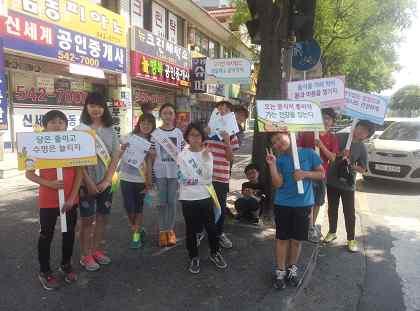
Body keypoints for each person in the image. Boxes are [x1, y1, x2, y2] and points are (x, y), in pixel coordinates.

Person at [25, 110, 82, 290]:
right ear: (45, 125)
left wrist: (73, 197)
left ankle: (66, 265)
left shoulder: (73, 144)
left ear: (66, 125)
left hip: (70, 200)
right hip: (48, 200)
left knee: (69, 233)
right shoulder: (36, 145)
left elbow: (80, 172)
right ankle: (45, 271)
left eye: (61, 122)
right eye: (52, 122)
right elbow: (29, 173)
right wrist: (48, 183)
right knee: (46, 235)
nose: (57, 125)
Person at [266, 132, 323, 290]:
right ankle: (280, 271)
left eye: (279, 138)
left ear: (289, 134)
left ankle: (292, 268)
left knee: (297, 240)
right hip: (283, 204)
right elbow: (278, 184)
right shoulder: (280, 160)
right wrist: (272, 165)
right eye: (274, 142)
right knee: (282, 239)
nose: (277, 143)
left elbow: (321, 173)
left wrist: (305, 174)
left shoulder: (308, 153)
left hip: (303, 204)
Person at [78, 92, 121, 271]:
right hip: (85, 183)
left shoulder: (111, 130)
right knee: (87, 221)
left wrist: (106, 180)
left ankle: (96, 250)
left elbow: (115, 156)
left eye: (99, 106)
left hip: (106, 183)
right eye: (92, 105)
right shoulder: (80, 130)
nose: (96, 109)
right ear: (86, 107)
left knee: (103, 218)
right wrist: (88, 182)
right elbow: (76, 161)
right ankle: (85, 255)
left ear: (105, 108)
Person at [178, 123, 227, 274]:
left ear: (202, 138)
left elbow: (207, 178)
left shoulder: (208, 154)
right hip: (187, 197)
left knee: (211, 227)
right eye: (191, 135)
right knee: (191, 229)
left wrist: (197, 177)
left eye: (198, 135)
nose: (194, 138)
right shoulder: (182, 155)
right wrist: (196, 180)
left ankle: (215, 252)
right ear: (187, 137)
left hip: (205, 196)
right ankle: (193, 256)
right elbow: (182, 178)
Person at [324, 120, 374, 252]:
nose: (360, 132)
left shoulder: (362, 148)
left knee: (349, 212)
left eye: (365, 131)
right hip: (332, 180)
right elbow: (328, 153)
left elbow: (364, 169)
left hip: (348, 183)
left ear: (367, 136)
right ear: (355, 127)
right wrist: (341, 154)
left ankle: (351, 239)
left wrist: (351, 165)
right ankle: (332, 231)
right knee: (332, 208)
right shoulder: (340, 137)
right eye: (360, 127)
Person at [298, 108, 340, 242]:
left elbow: (332, 158)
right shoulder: (308, 133)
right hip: (306, 174)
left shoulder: (333, 138)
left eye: (328, 118)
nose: (325, 120)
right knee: (306, 201)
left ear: (332, 122)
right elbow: (298, 150)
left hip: (321, 175)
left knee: (317, 202)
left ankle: (311, 226)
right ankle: (306, 226)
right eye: (322, 117)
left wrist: (321, 145)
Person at [205, 100, 240, 249]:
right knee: (204, 206)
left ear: (230, 115)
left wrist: (226, 142)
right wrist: (204, 135)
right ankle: (203, 231)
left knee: (219, 207)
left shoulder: (232, 135)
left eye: (225, 110)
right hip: (205, 176)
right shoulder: (208, 130)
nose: (222, 111)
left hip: (221, 176)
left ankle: (219, 234)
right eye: (219, 109)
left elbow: (230, 158)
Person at [119, 113, 156, 249]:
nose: (146, 125)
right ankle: (138, 229)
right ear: (139, 123)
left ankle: (135, 236)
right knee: (129, 208)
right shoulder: (129, 137)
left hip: (141, 179)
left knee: (139, 208)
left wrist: (149, 182)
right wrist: (122, 149)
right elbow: (118, 154)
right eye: (143, 122)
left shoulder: (152, 141)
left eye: (149, 123)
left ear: (153, 126)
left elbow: (151, 164)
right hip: (126, 177)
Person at [151, 103, 185, 247]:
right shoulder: (155, 134)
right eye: (165, 113)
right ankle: (162, 231)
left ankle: (169, 230)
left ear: (174, 115)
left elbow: (183, 153)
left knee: (172, 202)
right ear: (161, 115)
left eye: (170, 113)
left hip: (174, 174)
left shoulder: (178, 133)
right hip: (160, 173)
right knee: (161, 203)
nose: (168, 116)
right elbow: (152, 155)